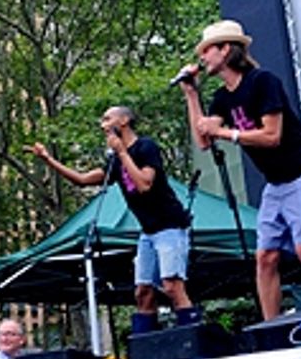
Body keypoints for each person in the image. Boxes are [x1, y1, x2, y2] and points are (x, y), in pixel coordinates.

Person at [180, 19, 301, 320]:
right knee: (265, 257)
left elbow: (271, 136)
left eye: (207, 50)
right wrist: (191, 95)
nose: (203, 57)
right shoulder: (223, 98)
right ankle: (272, 330)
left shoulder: (262, 81)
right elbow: (203, 139)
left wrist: (227, 132)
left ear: (226, 50)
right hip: (276, 184)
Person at [29, 105, 198, 333]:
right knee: (142, 292)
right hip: (148, 232)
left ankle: (191, 336)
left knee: (172, 287)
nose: (103, 125)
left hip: (170, 226)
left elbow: (144, 184)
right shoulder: (116, 162)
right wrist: (48, 159)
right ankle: (145, 343)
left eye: (107, 119)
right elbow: (82, 180)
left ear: (125, 120)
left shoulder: (145, 147)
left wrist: (122, 153)